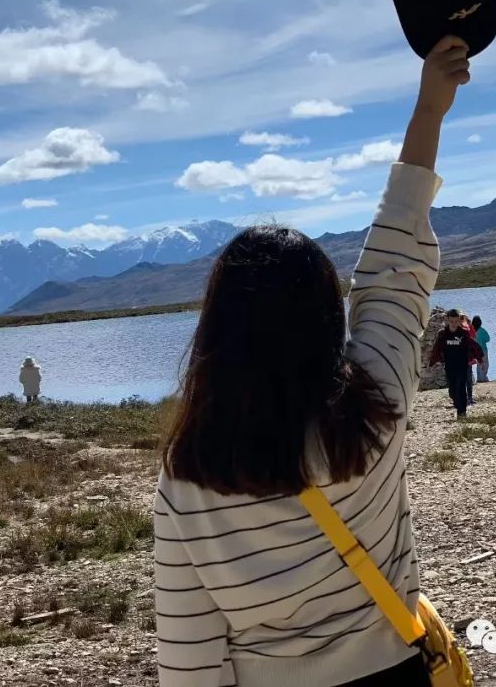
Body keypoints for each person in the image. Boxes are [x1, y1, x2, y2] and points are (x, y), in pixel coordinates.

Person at [155, 36, 470, 687]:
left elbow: (189, 657)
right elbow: (393, 267)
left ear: (217, 337)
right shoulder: (373, 409)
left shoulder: (188, 473)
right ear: (328, 317)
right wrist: (428, 112)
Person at [431, 309, 484, 418]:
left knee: (461, 387)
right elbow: (436, 348)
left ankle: (462, 412)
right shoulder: (443, 334)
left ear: (459, 321)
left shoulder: (463, 333)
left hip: (462, 365)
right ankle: (457, 402)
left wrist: (480, 360)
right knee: (453, 391)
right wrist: (432, 363)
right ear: (447, 320)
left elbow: (474, 346)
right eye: (452, 321)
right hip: (449, 366)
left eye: (456, 321)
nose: (454, 324)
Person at [459, 312, 477, 405]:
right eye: (462, 319)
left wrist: (469, 325)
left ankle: (469, 398)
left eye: (464, 319)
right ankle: (464, 398)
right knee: (463, 379)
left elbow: (474, 336)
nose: (463, 321)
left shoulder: (468, 328)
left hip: (468, 357)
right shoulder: (457, 330)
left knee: (468, 378)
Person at [472, 315, 491, 383]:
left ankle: (479, 378)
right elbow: (488, 339)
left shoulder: (472, 331)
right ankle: (484, 377)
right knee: (485, 363)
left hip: (475, 351)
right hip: (483, 349)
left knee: (479, 364)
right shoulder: (482, 330)